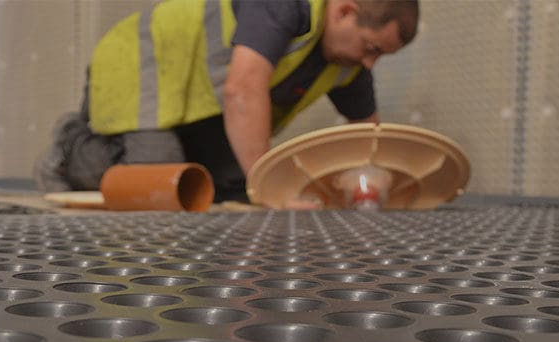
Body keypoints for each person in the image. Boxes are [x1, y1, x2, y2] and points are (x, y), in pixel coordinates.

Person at [35, 0, 419, 203]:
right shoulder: (288, 6)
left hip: (195, 97)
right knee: (159, 184)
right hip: (144, 60)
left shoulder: (347, 64)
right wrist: (270, 188)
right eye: (371, 48)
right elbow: (243, 90)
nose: (370, 63)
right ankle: (68, 152)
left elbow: (370, 140)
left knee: (228, 186)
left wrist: (380, 184)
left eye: (380, 55)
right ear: (345, 11)